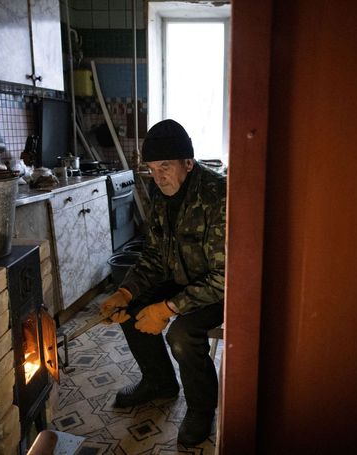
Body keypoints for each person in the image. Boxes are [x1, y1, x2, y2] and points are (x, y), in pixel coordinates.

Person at [99, 119, 226, 447]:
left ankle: (201, 409)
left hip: (218, 290)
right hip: (181, 278)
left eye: (165, 167)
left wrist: (168, 308)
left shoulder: (218, 195)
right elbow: (154, 258)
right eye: (152, 168)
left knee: (181, 335)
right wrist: (125, 291)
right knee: (130, 309)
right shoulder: (160, 194)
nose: (158, 176)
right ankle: (159, 383)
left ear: (188, 162)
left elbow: (225, 277)